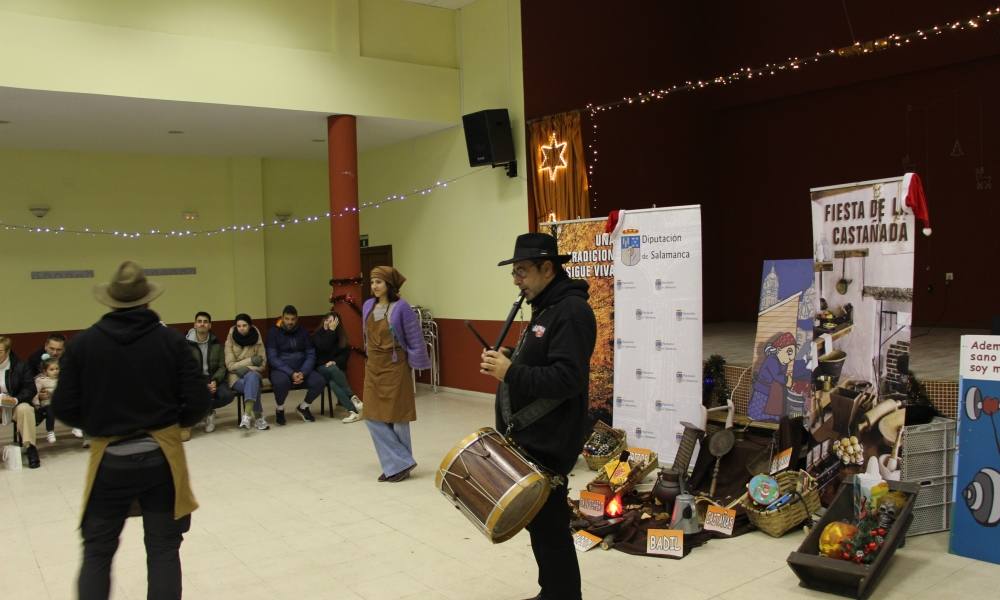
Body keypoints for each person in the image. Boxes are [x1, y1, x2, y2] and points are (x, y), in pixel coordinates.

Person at [51, 260, 211, 600]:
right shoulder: (170, 343)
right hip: (161, 458)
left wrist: (98, 425)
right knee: (163, 549)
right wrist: (172, 423)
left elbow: (63, 407)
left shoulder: (83, 345)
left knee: (98, 551)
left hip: (109, 461)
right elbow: (198, 402)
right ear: (147, 301)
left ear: (110, 301)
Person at [479, 233, 596, 600]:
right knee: (542, 526)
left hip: (551, 437)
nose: (517, 280)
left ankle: (562, 595)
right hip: (533, 436)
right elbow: (543, 358)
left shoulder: (572, 311)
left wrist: (510, 372)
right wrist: (515, 355)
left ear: (548, 268)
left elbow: (567, 378)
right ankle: (553, 592)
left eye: (522, 272)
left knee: (551, 528)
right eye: (515, 273)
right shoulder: (545, 306)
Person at [361, 266, 430, 482]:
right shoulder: (367, 306)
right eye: (372, 282)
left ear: (389, 285)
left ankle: (398, 466)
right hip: (373, 367)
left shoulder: (402, 307)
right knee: (371, 415)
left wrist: (417, 362)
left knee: (398, 417)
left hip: (395, 365)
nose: (374, 286)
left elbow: (414, 336)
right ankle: (401, 461)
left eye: (378, 282)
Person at [265, 305, 325, 425]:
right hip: (281, 370)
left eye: (292, 319)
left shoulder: (303, 331)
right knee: (281, 383)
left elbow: (310, 354)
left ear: (297, 319)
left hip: (302, 369)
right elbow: (272, 357)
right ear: (282, 318)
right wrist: (291, 373)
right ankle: (280, 409)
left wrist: (303, 372)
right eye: (287, 319)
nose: (290, 322)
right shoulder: (273, 332)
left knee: (319, 381)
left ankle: (303, 407)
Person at [312, 311, 363, 423]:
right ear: (324, 321)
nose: (329, 324)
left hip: (335, 371)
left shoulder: (341, 337)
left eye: (332, 322)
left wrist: (334, 361)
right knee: (332, 370)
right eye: (328, 321)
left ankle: (353, 412)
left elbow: (344, 355)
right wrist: (329, 331)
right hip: (320, 368)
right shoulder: (318, 335)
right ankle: (353, 397)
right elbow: (322, 348)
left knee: (333, 383)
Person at [186, 312, 233, 433]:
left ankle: (207, 411)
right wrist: (201, 384)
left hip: (213, 378)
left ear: (210, 325)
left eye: (205, 322)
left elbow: (222, 366)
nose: (202, 324)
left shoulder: (216, 343)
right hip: (195, 379)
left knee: (227, 395)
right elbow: (186, 368)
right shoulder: (186, 344)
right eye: (199, 321)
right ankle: (207, 413)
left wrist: (215, 381)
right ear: (195, 324)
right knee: (191, 396)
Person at [224, 313, 269, 431]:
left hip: (253, 374)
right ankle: (258, 418)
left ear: (250, 326)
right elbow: (230, 366)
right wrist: (251, 361)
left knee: (252, 377)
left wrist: (247, 369)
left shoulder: (257, 338)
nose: (241, 328)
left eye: (244, 325)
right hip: (235, 378)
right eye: (238, 326)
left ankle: (247, 416)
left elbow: (263, 363)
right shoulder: (230, 340)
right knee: (254, 384)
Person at [0, 336, 40, 468]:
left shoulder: (21, 366)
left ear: (7, 351)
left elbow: (30, 388)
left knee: (25, 409)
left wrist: (15, 399)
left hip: (15, 404)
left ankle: (30, 447)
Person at [748, 331, 796, 422]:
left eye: (791, 357)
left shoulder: (783, 363)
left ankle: (773, 416)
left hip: (773, 388)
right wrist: (786, 380)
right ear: (779, 349)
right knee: (760, 404)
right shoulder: (772, 360)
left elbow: (780, 376)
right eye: (788, 353)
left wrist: (787, 379)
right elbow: (777, 376)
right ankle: (755, 415)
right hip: (763, 387)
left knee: (773, 404)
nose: (790, 359)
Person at [34, 356, 60, 443]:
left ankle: (77, 427)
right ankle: (50, 432)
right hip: (46, 405)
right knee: (50, 409)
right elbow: (35, 393)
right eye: (52, 369)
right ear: (45, 371)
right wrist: (36, 404)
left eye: (57, 369)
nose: (55, 371)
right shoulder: (41, 380)